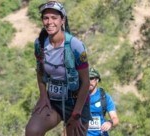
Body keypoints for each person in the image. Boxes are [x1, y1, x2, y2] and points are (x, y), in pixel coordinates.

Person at [25, 1, 92, 136]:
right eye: (46, 18)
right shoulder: (40, 44)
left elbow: (86, 82)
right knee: (32, 131)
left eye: (54, 18)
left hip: (76, 102)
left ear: (63, 20)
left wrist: (77, 112)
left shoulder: (75, 46)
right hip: (53, 100)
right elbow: (40, 72)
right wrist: (43, 95)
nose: (49, 22)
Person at [87, 68, 119, 136]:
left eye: (91, 78)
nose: (89, 81)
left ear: (97, 80)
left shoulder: (105, 97)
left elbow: (115, 119)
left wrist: (110, 123)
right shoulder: (77, 97)